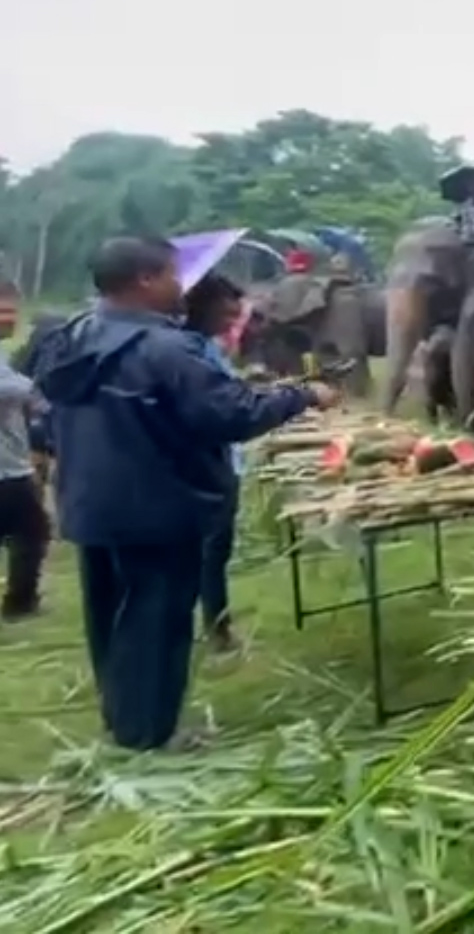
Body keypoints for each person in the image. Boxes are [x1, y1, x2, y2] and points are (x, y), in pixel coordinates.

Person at [33, 236, 337, 750]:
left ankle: (123, 718)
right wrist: (302, 394)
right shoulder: (167, 349)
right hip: (157, 506)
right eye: (174, 275)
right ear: (146, 280)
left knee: (110, 615)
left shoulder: (73, 336)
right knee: (157, 620)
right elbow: (233, 415)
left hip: (90, 501)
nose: (182, 286)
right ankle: (151, 733)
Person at [182, 273, 250, 653]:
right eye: (227, 316)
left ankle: (214, 623)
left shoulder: (202, 347)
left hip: (221, 462)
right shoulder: (187, 352)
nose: (231, 324)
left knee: (214, 552)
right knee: (210, 552)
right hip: (208, 467)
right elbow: (218, 410)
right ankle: (216, 630)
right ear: (201, 307)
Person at [0, 298, 51, 622]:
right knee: (31, 530)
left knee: (0, 531)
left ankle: (21, 602)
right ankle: (20, 604)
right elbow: (8, 388)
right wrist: (31, 387)